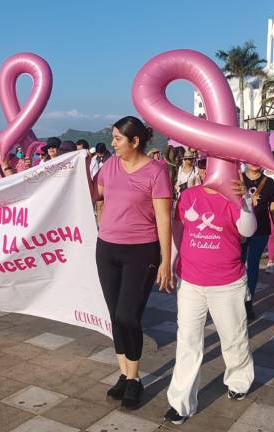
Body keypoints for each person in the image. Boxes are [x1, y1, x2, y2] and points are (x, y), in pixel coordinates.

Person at [94, 116, 172, 409]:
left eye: (117, 139)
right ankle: (124, 375)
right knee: (115, 315)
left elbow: (164, 218)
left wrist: (166, 260)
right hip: (107, 249)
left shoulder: (156, 172)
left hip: (141, 251)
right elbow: (95, 194)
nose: (113, 144)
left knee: (129, 315)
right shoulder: (109, 166)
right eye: (113, 138)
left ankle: (135, 379)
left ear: (135, 141)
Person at [163, 179, 256, 425]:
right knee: (187, 340)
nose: (208, 170)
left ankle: (238, 380)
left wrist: (244, 201)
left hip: (227, 282)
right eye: (204, 163)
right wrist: (168, 265)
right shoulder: (188, 196)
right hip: (191, 281)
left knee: (233, 336)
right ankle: (180, 402)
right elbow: (178, 233)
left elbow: (248, 230)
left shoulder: (235, 196)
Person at [241, 164, 274, 317]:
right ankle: (236, 299)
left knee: (253, 264)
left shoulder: (269, 182)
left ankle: (248, 301)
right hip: (239, 230)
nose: (254, 162)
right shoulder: (238, 178)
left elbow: (273, 207)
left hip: (261, 229)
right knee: (237, 264)